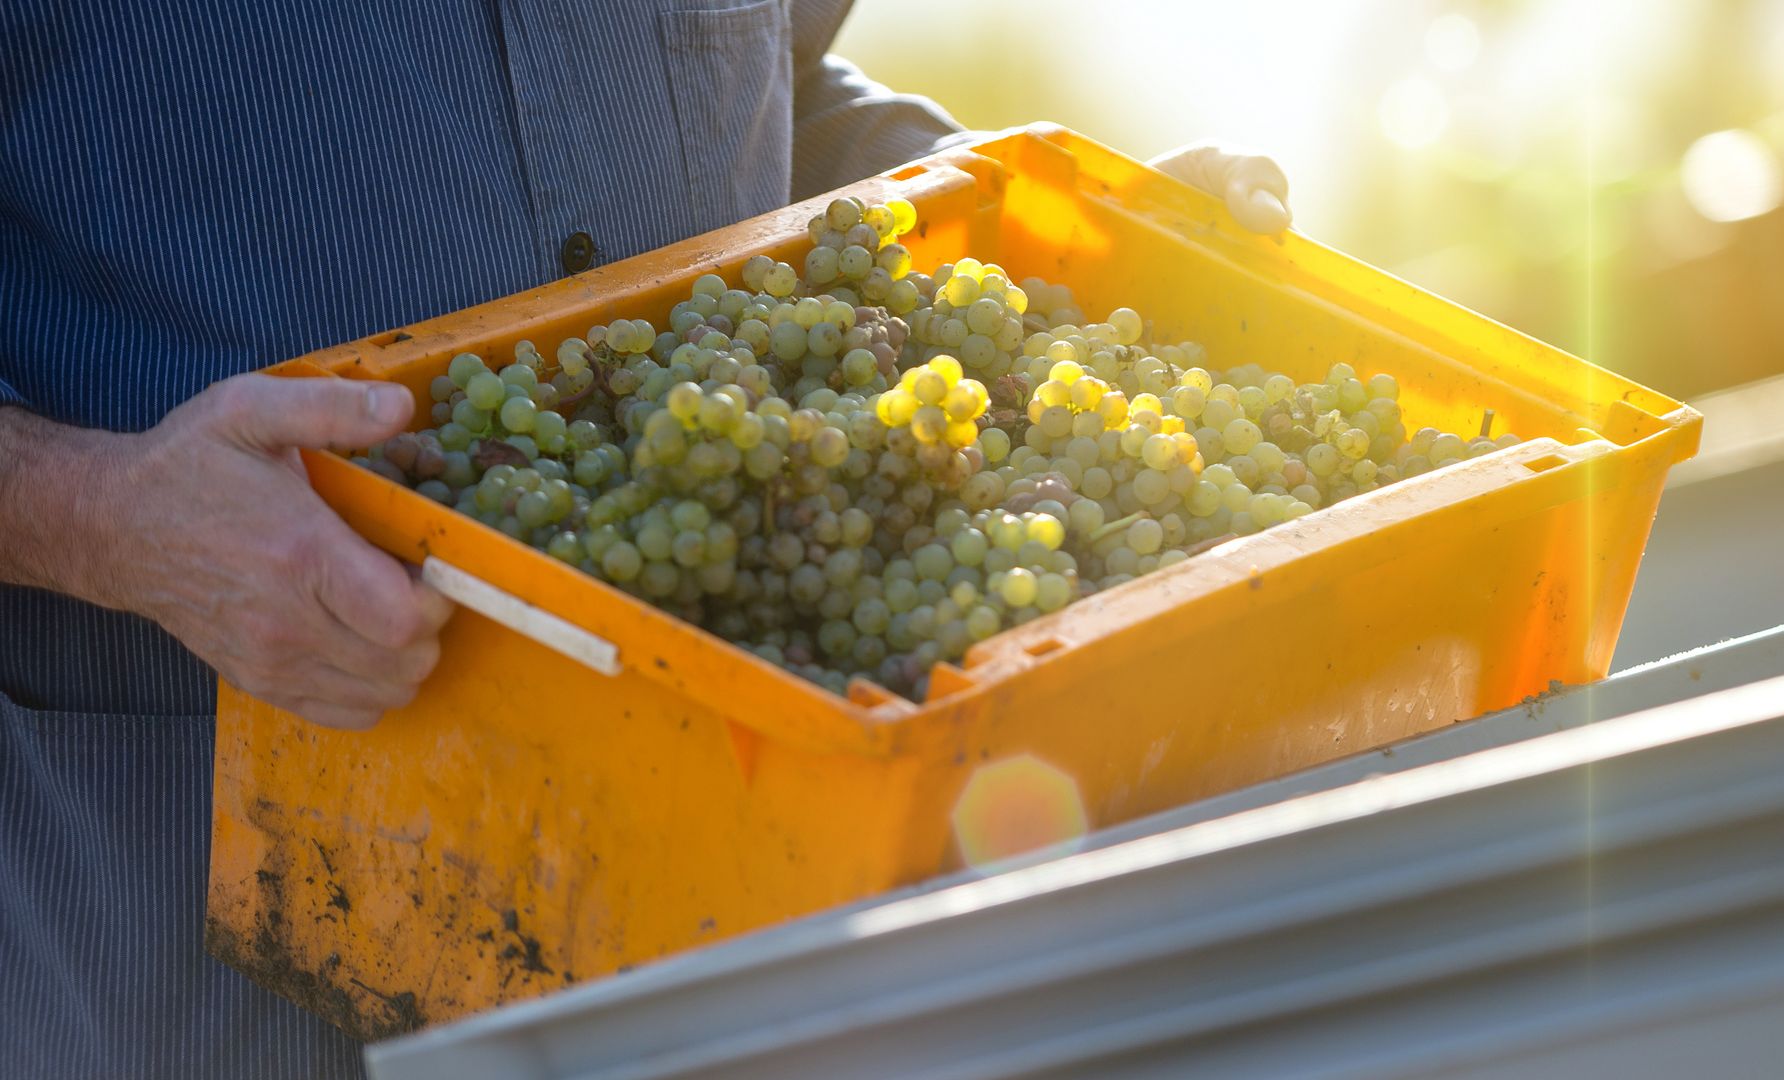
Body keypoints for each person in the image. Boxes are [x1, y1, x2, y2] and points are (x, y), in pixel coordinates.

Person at [0, 2, 1291, 1076]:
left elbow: (774, 84)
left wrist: (1043, 253)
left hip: (740, 893)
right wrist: (109, 516)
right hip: (184, 907)